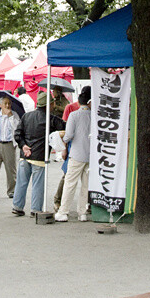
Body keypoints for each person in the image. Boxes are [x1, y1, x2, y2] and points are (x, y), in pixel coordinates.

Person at [11, 94, 66, 216]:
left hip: (24, 155)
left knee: (21, 182)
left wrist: (23, 145)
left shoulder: (26, 116)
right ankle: (35, 209)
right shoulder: (51, 119)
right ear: (50, 104)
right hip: (40, 156)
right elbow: (65, 127)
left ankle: (17, 206)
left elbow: (18, 134)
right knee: (38, 184)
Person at [55, 87, 91, 222]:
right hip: (89, 154)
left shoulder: (74, 115)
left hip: (76, 154)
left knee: (70, 183)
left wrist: (62, 141)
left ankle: (63, 211)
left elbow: (68, 135)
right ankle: (82, 212)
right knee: (86, 185)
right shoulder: (94, 115)